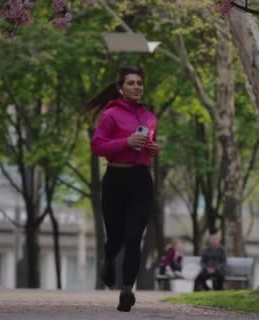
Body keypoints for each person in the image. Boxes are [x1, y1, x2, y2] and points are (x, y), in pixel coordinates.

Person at [86, 66, 160, 312]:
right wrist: (125, 142)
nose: (137, 87)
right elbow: (97, 146)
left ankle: (127, 290)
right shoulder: (111, 115)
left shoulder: (150, 117)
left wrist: (153, 150)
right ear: (120, 88)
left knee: (133, 237)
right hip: (116, 180)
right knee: (116, 236)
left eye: (139, 82)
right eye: (131, 83)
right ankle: (108, 262)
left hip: (141, 180)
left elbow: (149, 144)